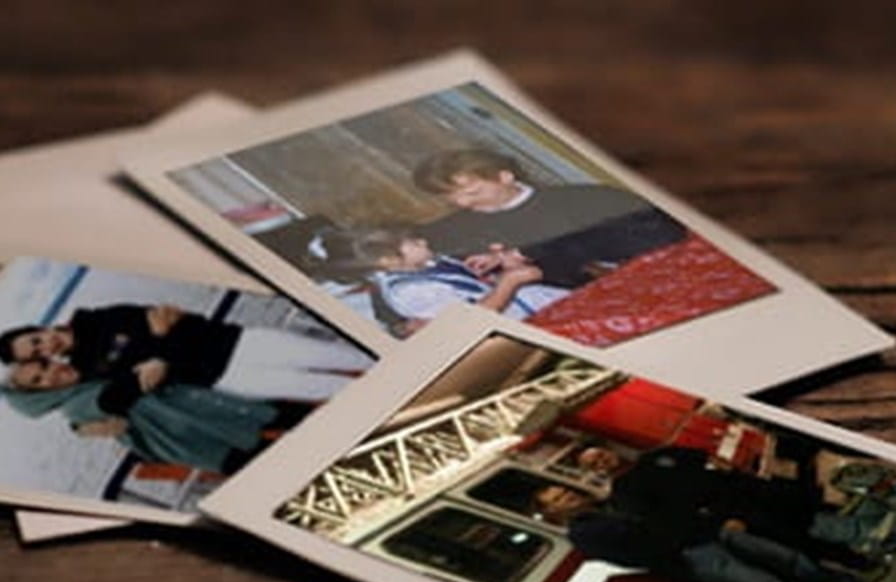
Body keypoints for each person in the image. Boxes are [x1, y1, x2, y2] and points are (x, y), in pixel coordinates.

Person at [533, 446, 871, 582]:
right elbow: (638, 548)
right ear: (555, 513)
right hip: (693, 556)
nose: (567, 497)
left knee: (788, 557)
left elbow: (681, 499)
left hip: (715, 530)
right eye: (558, 500)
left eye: (563, 492)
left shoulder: (613, 498)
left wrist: (717, 518)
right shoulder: (593, 524)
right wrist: (681, 559)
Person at [413, 148, 688, 288]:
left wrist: (528, 252)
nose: (462, 203)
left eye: (472, 192)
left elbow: (666, 232)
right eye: (451, 198)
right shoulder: (449, 230)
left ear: (505, 176)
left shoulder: (586, 198)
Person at [0, 302, 373, 405]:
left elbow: (181, 321)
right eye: (35, 355)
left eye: (36, 339)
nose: (43, 348)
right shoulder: (86, 368)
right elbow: (114, 401)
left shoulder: (102, 318)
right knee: (333, 391)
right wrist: (154, 358)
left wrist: (159, 357)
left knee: (351, 358)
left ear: (41, 328)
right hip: (229, 378)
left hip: (240, 342)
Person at [2, 368, 298, 475]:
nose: (50, 374)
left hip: (208, 417)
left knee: (286, 427)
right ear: (37, 398)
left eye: (43, 366)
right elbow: (116, 396)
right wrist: (149, 365)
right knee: (278, 464)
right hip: (201, 437)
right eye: (39, 381)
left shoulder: (85, 378)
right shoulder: (76, 406)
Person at [336, 229, 570, 336]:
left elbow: (472, 288)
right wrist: (510, 282)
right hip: (523, 320)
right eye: (413, 243)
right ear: (388, 260)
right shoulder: (409, 292)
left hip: (529, 300)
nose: (422, 240)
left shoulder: (423, 264)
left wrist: (499, 267)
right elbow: (476, 318)